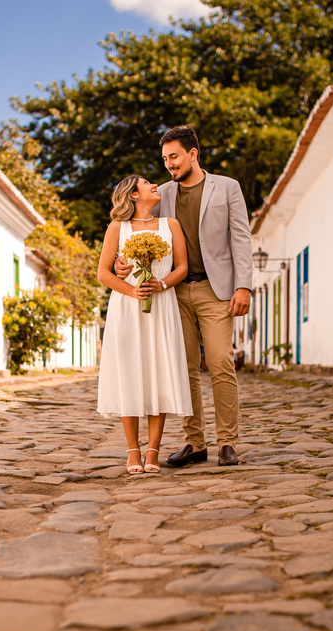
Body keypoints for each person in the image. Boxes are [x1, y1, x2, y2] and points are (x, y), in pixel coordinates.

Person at [117, 125, 252, 467]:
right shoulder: (162, 193)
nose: (169, 165)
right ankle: (195, 443)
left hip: (215, 289)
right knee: (185, 368)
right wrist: (122, 264)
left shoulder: (227, 187)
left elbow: (241, 239)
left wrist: (244, 285)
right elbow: (139, 230)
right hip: (173, 292)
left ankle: (227, 443)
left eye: (174, 157)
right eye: (164, 159)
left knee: (220, 362)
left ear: (193, 153)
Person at [96, 175, 193, 474]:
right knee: (130, 373)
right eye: (148, 183)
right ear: (134, 195)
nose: (156, 186)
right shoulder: (117, 228)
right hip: (127, 307)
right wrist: (132, 290)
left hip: (162, 305)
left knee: (157, 373)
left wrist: (161, 284)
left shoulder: (171, 225)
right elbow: (104, 272)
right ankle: (132, 452)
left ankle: (153, 451)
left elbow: (182, 267)